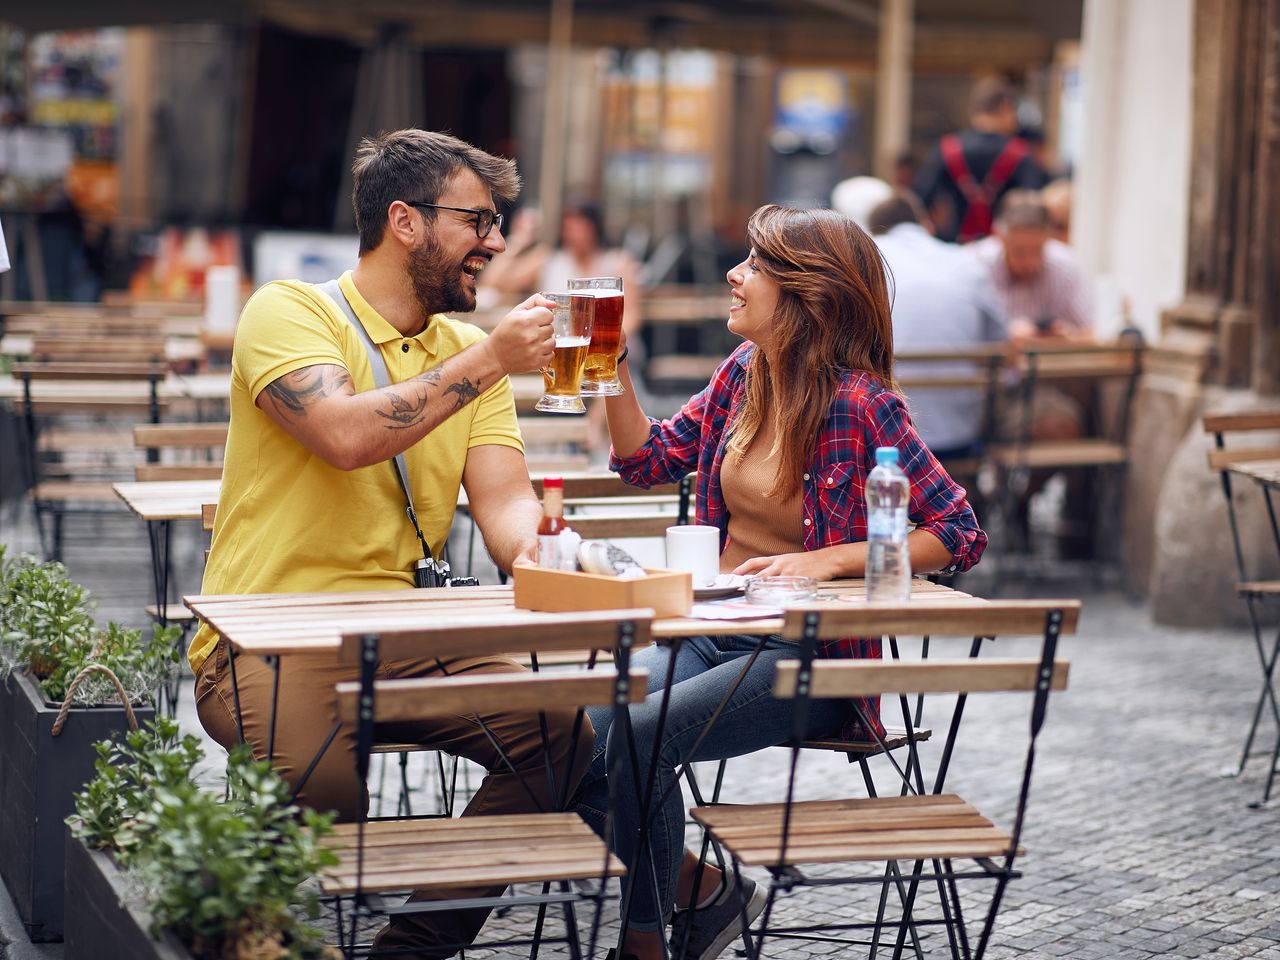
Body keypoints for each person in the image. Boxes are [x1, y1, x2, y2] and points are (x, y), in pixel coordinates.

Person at [191, 129, 589, 958]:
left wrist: (554, 551)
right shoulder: (288, 310)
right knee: (328, 798)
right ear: (404, 222)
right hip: (265, 636)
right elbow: (341, 434)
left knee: (563, 735)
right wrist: (489, 360)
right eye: (478, 220)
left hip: (406, 636)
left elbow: (506, 504)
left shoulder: (461, 353)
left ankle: (411, 946)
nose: (497, 243)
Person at [573, 205, 988, 960]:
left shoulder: (861, 404)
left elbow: (959, 533)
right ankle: (700, 887)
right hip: (713, 632)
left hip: (810, 656)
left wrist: (828, 560)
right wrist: (612, 358)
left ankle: (642, 945)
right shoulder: (742, 375)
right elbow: (644, 460)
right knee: (580, 737)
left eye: (755, 266)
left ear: (807, 294)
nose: (734, 276)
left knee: (637, 735)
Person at [868, 191, 1008, 460]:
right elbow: (1001, 343)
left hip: (885, 440)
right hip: (961, 435)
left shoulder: (868, 261)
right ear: (926, 225)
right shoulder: (965, 261)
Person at [914, 77, 1048, 243]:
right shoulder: (1019, 153)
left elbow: (920, 199)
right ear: (1004, 108)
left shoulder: (947, 149)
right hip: (1002, 252)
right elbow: (1031, 205)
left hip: (954, 247)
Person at [969, 189, 1093, 339]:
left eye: (1037, 251)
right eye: (1019, 252)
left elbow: (1090, 333)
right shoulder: (975, 266)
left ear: (1048, 238)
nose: (1030, 263)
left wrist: (1066, 336)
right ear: (999, 238)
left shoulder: (1065, 267)